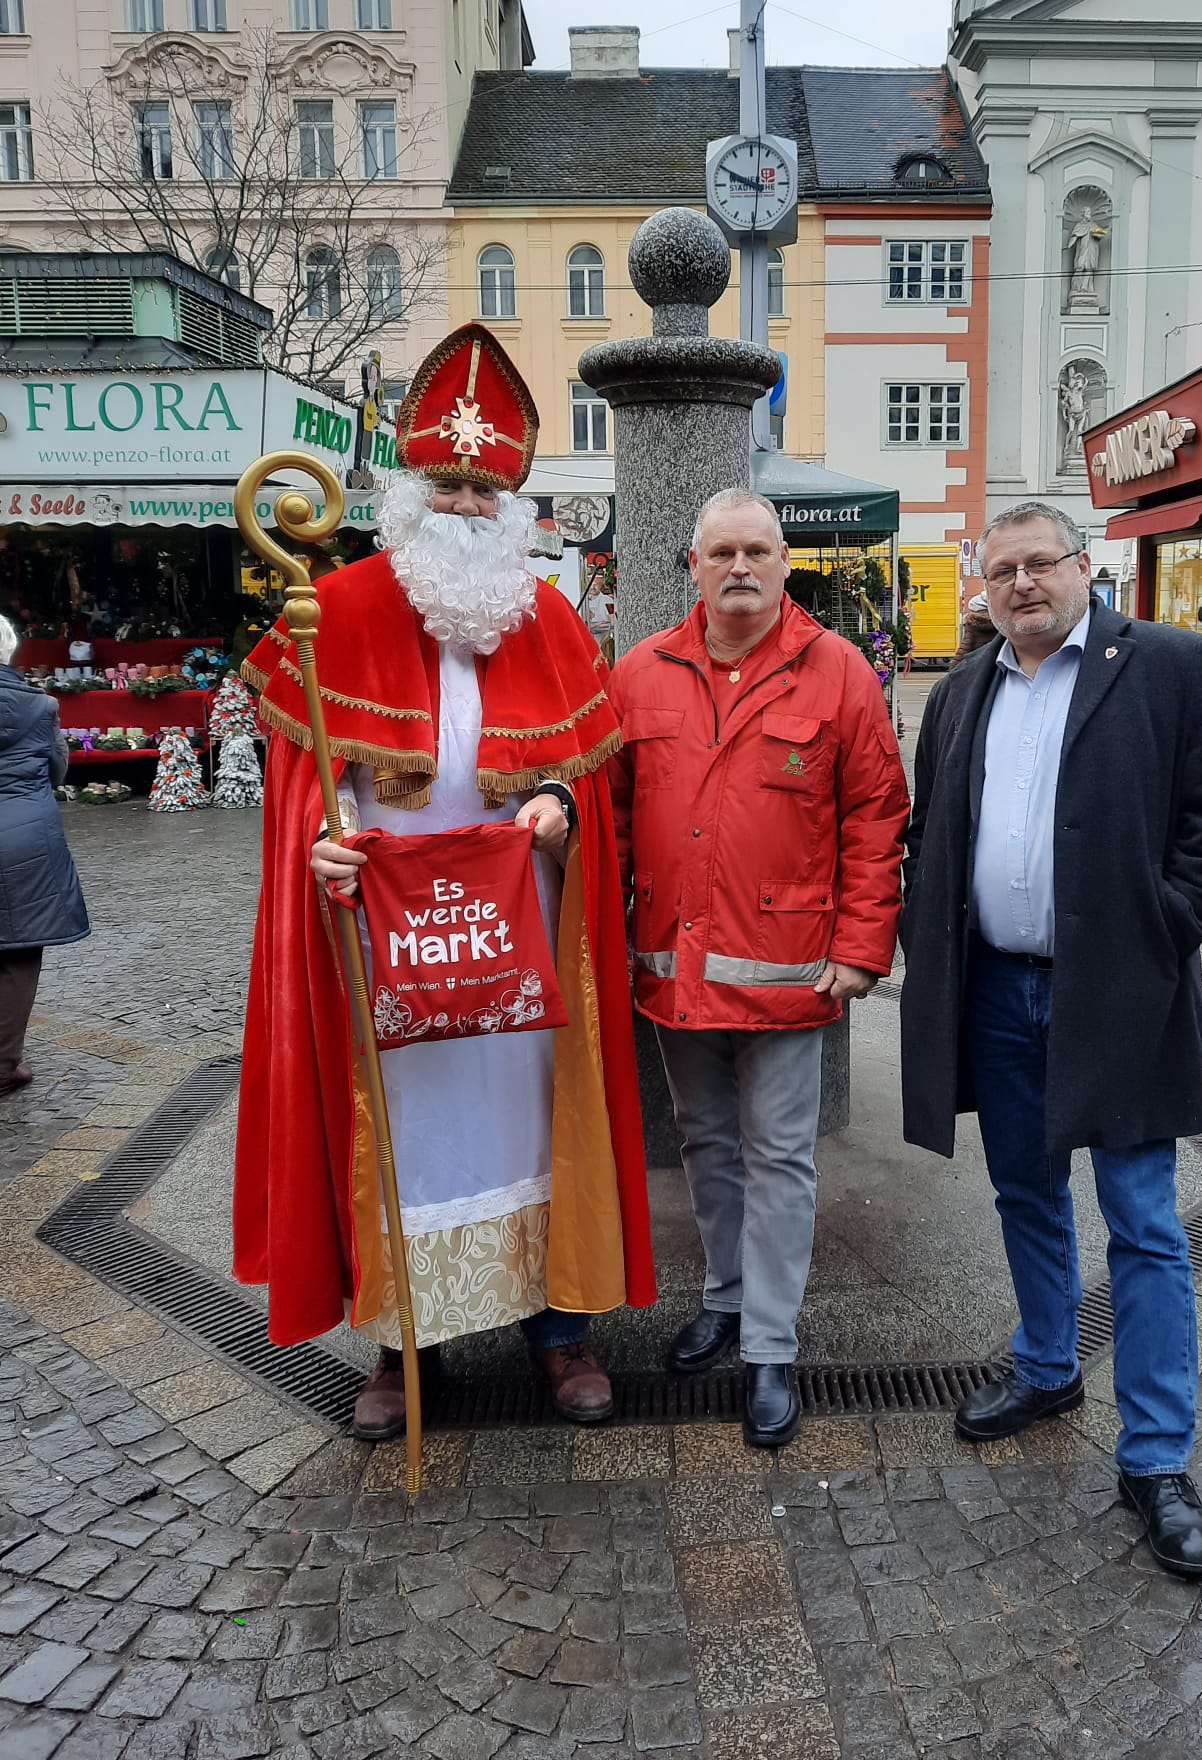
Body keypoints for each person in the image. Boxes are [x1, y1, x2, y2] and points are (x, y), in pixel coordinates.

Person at [237, 323, 655, 1438]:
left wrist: (560, 816)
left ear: (516, 504)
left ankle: (559, 1332)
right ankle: (397, 1344)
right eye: (450, 484)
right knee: (401, 1134)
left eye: (486, 488)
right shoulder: (338, 616)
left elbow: (589, 799)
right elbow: (302, 790)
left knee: (534, 1126)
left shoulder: (555, 621)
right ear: (410, 492)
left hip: (521, 946)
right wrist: (317, 848)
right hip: (390, 946)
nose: (469, 505)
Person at [900, 501, 1202, 1580]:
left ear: (1083, 567)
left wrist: (1164, 929)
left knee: (1145, 1219)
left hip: (1121, 992)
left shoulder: (1172, 665)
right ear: (982, 582)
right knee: (1024, 1190)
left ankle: (1157, 1458)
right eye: (999, 568)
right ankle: (1048, 1362)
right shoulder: (960, 690)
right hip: (999, 992)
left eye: (1038, 563)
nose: (1019, 583)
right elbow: (934, 829)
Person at [609, 488, 908, 1447]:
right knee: (704, 1142)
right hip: (672, 967)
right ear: (691, 566)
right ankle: (727, 1297)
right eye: (722, 552)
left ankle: (770, 1347)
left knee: (779, 1157)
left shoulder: (841, 673)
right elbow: (610, 817)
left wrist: (863, 949)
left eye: (759, 551)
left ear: (786, 564)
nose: (741, 567)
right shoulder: (640, 674)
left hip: (790, 971)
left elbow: (875, 818)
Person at [0, 615, 89, 1094]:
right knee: (17, 950)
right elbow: (56, 770)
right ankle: (3, 1063)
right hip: (24, 836)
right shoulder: (41, 705)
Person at [952, 592, 999, 667]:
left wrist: (954, 668)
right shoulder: (1000, 623)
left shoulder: (972, 623)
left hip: (977, 662)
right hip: (997, 661)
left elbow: (965, 646)